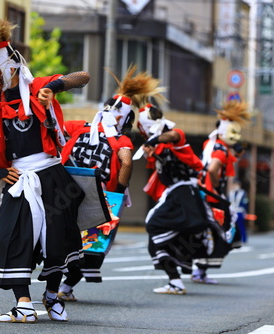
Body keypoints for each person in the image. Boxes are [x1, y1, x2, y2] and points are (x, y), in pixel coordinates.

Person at [0, 13, 90, 323]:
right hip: (18, 179)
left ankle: (52, 297)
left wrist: (55, 87)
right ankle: (23, 304)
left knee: (58, 239)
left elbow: (83, 76)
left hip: (53, 174)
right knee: (10, 237)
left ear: (10, 68)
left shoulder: (38, 87)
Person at [57, 66, 162, 301]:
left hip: (64, 195)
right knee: (92, 247)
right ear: (125, 120)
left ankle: (55, 285)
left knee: (62, 240)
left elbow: (54, 130)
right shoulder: (120, 139)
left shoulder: (77, 127)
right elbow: (126, 162)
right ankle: (65, 288)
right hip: (100, 201)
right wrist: (120, 191)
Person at [136, 104, 209, 295]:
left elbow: (174, 136)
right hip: (177, 194)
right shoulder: (157, 146)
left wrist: (155, 139)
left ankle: (182, 277)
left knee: (153, 224)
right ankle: (175, 282)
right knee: (156, 241)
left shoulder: (174, 136)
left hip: (185, 195)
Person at [192, 100, 251, 284]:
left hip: (203, 193)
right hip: (212, 196)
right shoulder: (221, 150)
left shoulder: (211, 144)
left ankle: (200, 270)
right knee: (223, 234)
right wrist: (217, 188)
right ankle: (199, 269)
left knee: (212, 233)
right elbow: (212, 169)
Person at [228, 179, 249, 243]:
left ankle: (244, 239)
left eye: (237, 184)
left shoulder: (243, 193)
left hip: (240, 212)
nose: (235, 186)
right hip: (232, 212)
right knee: (232, 226)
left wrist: (245, 211)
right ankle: (232, 239)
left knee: (241, 226)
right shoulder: (231, 192)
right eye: (234, 184)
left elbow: (245, 203)